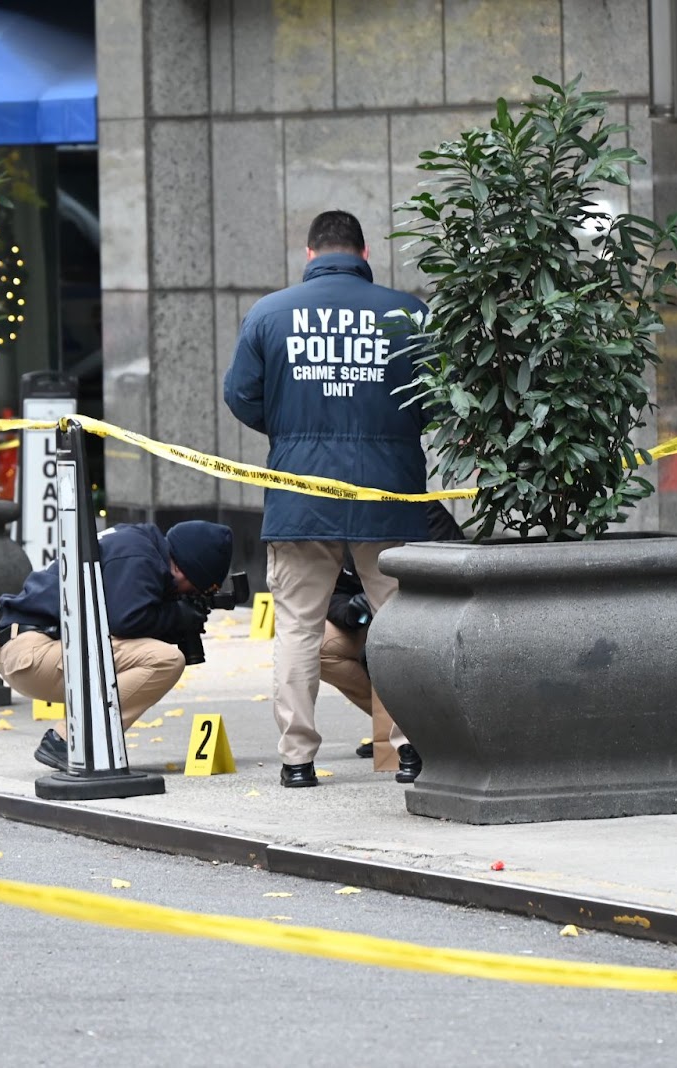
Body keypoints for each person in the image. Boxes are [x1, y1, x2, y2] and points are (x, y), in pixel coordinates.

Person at [223, 209, 430, 789]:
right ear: (364, 255)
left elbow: (241, 397)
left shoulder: (269, 312)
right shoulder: (407, 313)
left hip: (299, 492)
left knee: (297, 627)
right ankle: (410, 749)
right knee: (401, 623)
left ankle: (297, 760)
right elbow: (436, 401)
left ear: (309, 255)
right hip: (388, 490)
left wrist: (293, 430)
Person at [0, 519, 234, 772]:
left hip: (29, 647)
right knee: (165, 660)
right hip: (34, 651)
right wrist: (177, 616)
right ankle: (70, 741)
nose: (189, 595)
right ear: (184, 571)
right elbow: (127, 620)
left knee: (153, 653)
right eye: (194, 590)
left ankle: (79, 740)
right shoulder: (140, 556)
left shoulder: (138, 545)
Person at [324, 502, 464, 759]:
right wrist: (350, 611)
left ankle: (422, 731)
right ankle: (392, 726)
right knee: (315, 642)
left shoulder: (425, 513)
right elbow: (331, 592)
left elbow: (455, 579)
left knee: (388, 648)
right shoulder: (342, 512)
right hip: (371, 624)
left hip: (425, 624)